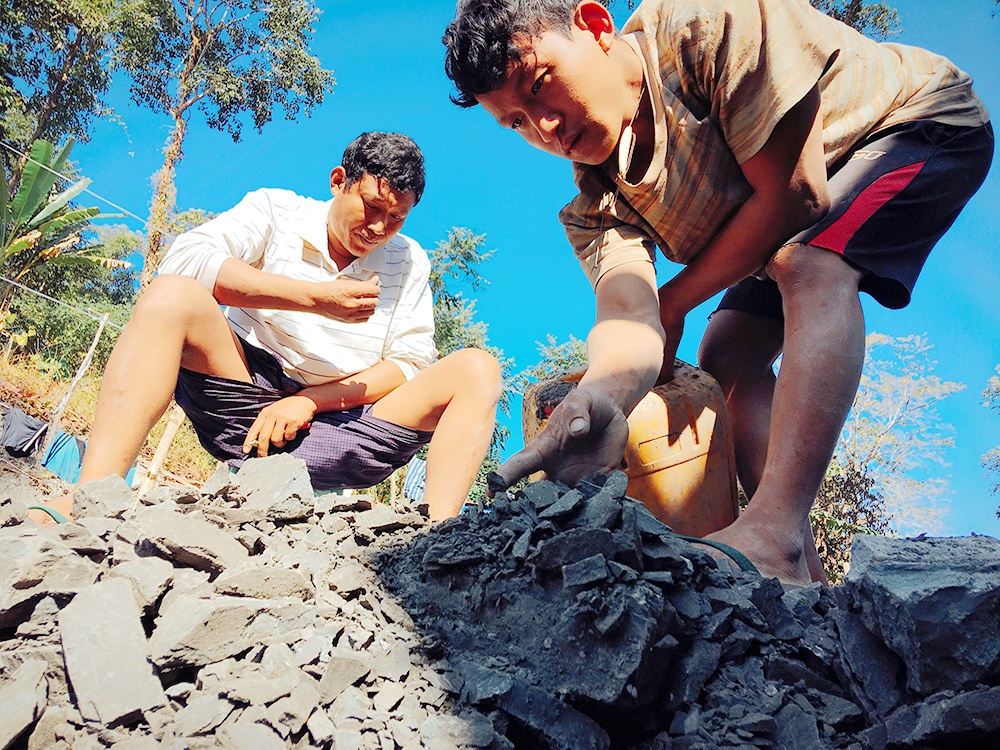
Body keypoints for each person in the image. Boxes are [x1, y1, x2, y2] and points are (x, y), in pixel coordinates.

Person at [442, 0, 992, 584]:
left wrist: (672, 302)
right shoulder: (598, 208)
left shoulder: (711, 22)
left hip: (919, 124)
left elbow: (793, 196)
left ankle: (772, 529)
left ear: (597, 27)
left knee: (806, 263)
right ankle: (801, 575)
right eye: (518, 122)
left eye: (541, 83)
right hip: (791, 227)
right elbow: (631, 317)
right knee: (726, 356)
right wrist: (605, 394)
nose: (545, 127)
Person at [29, 132, 501, 526]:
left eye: (396, 218)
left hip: (345, 423)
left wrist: (308, 401)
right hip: (242, 401)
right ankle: (89, 500)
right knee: (171, 295)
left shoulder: (410, 260)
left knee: (477, 370)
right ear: (339, 182)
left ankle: (439, 538)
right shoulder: (276, 210)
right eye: (372, 206)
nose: (379, 227)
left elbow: (409, 364)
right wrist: (313, 298)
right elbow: (185, 262)